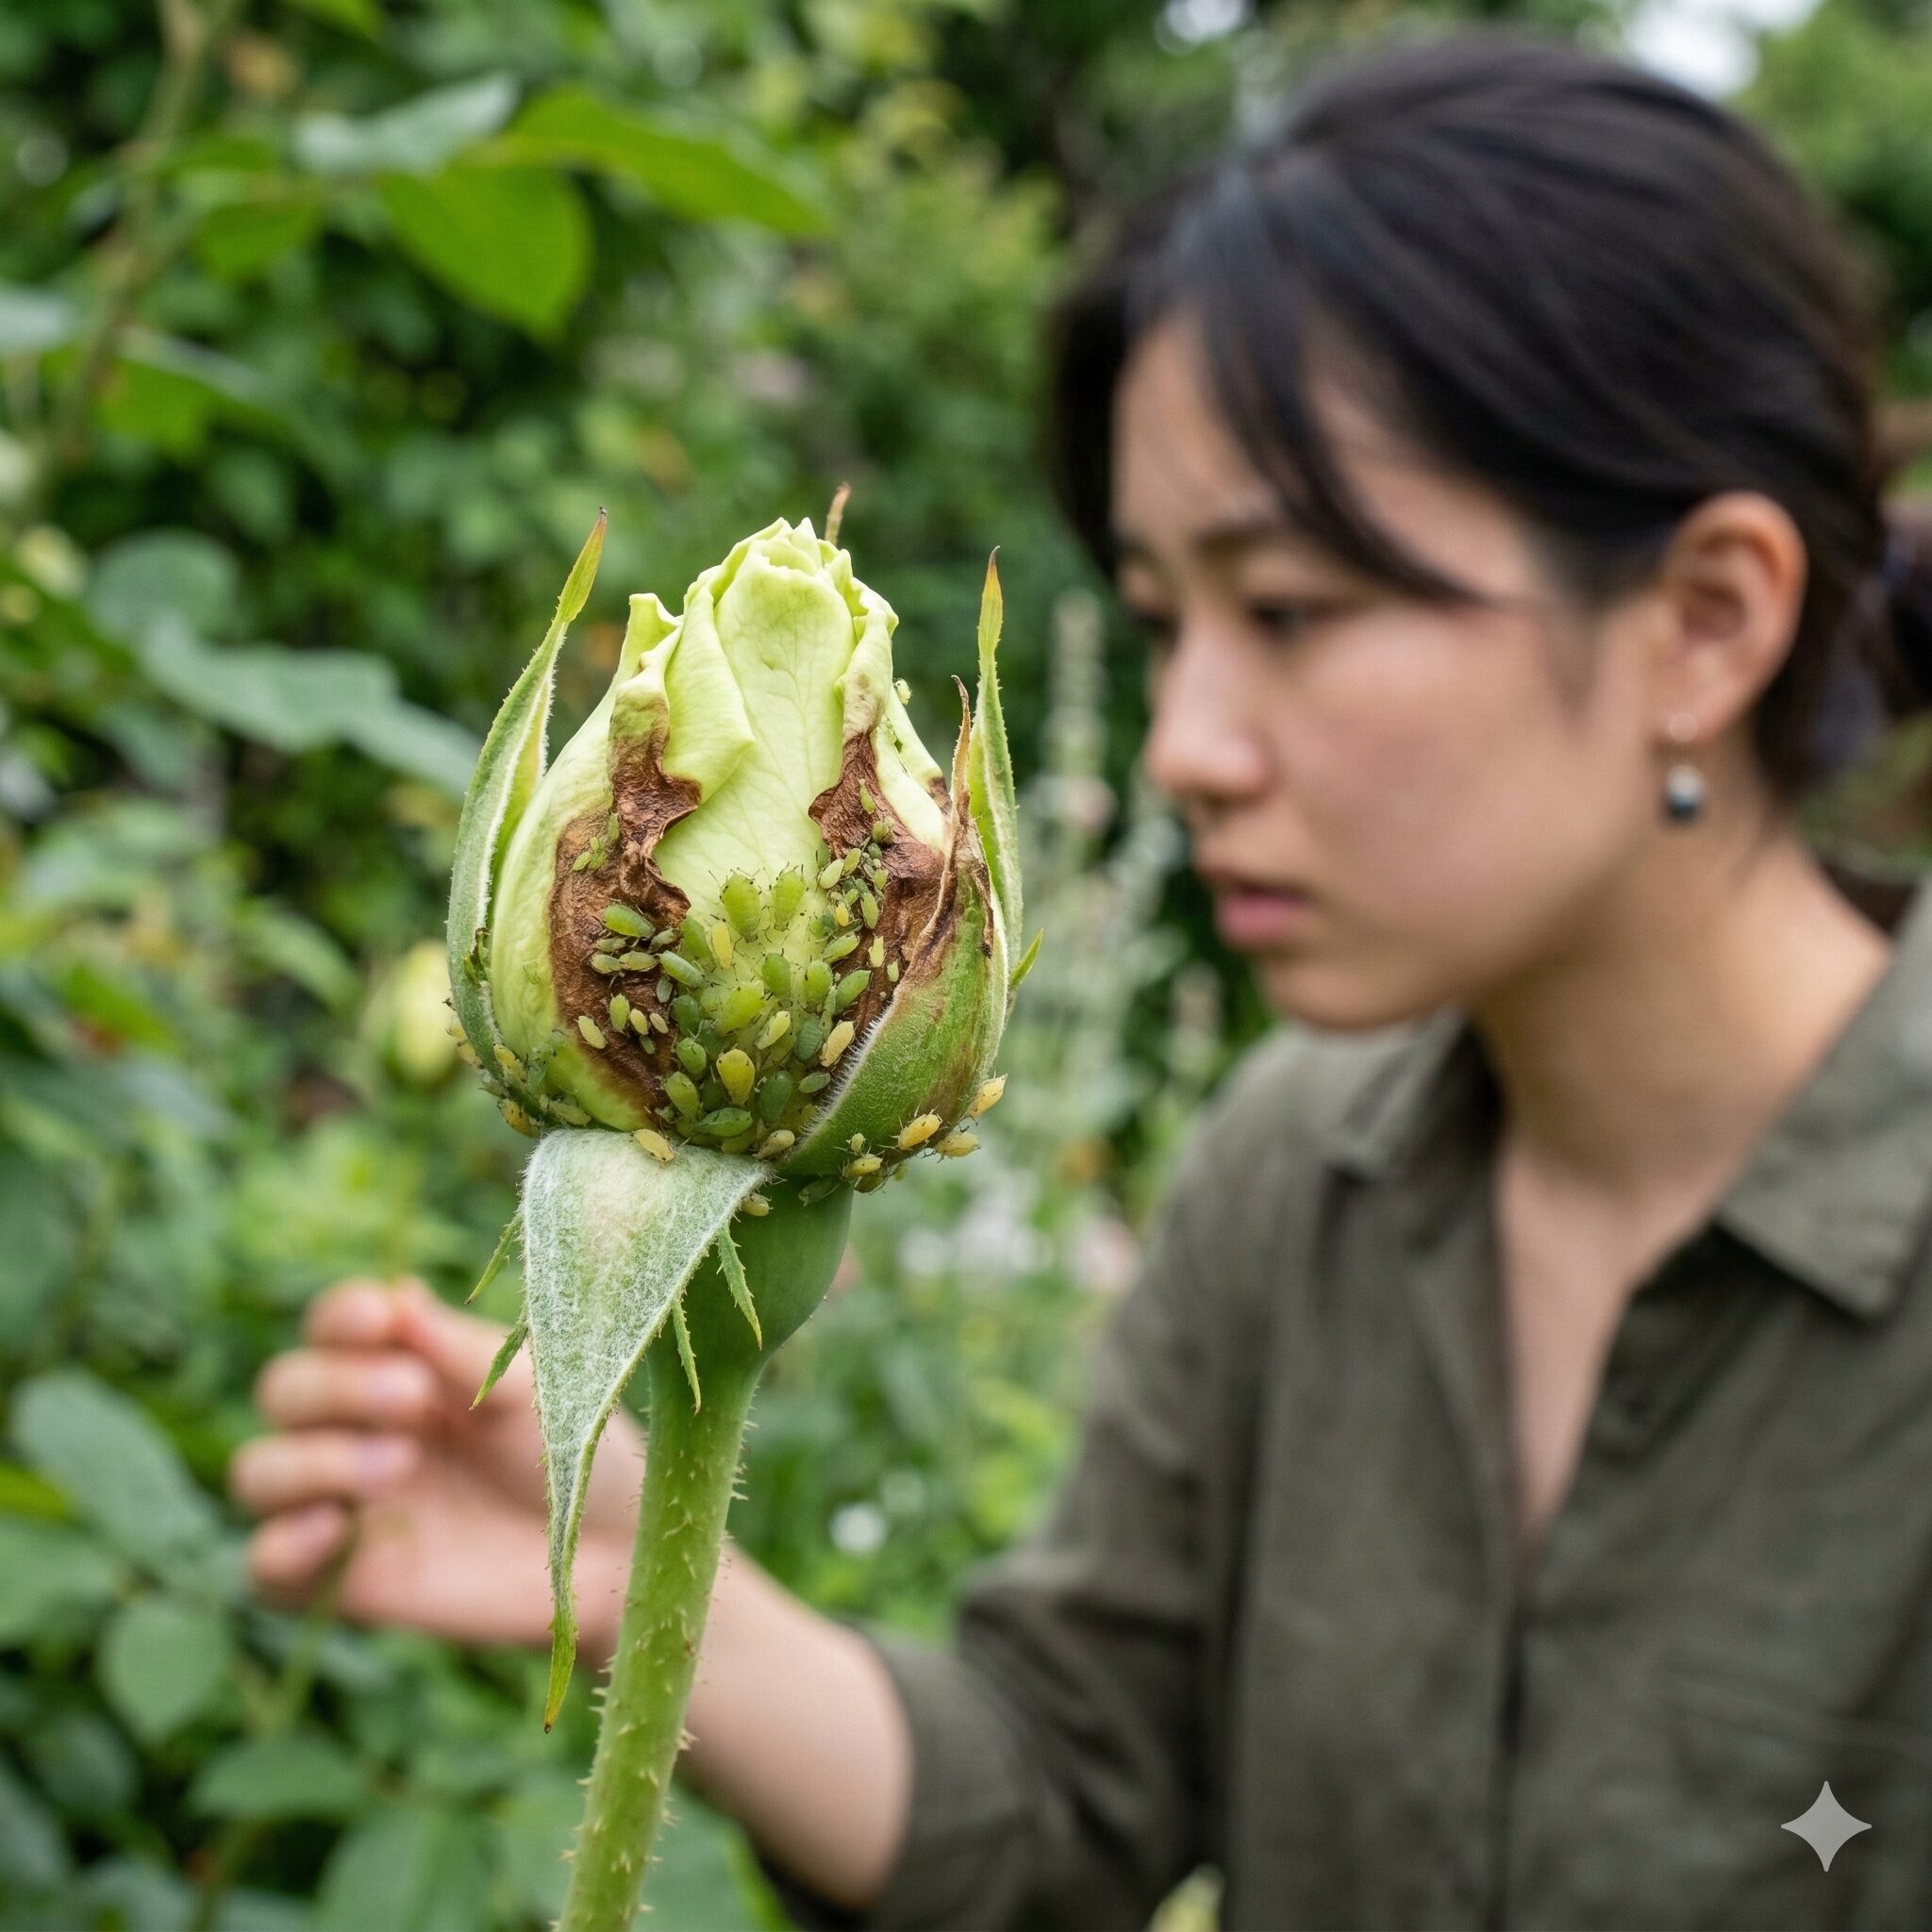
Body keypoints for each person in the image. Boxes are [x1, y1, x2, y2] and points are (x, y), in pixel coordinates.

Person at [232, 32, 1932, 1930]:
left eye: (1287, 608)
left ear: (1702, 621)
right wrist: (629, 1560)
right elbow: (1065, 1793)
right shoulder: (1299, 1171)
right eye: (1157, 622)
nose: (1187, 742)